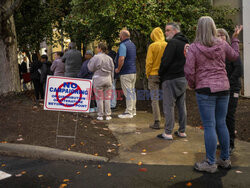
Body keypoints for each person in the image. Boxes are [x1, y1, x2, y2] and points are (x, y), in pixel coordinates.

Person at [184, 16, 242, 173]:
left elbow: (189, 70)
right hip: (224, 88)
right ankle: (224, 159)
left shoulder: (194, 48)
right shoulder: (222, 44)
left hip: (205, 89)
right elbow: (235, 56)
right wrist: (235, 40)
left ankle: (210, 163)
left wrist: (194, 85)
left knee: (209, 125)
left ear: (198, 28)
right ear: (213, 28)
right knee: (221, 123)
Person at [157, 22, 189, 140]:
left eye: (167, 30)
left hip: (171, 79)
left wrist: (160, 74)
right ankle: (182, 131)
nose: (165, 33)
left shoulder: (173, 43)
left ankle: (168, 132)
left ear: (175, 31)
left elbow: (165, 61)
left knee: (168, 105)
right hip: (183, 78)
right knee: (181, 105)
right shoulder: (186, 44)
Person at [217, 28, 243, 154]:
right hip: (222, 88)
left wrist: (227, 82)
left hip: (233, 88)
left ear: (226, 37)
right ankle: (223, 142)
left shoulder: (231, 51)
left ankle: (231, 143)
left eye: (222, 35)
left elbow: (239, 70)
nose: (220, 36)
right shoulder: (217, 52)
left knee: (229, 115)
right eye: (217, 35)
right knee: (221, 116)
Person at [146, 27, 167, 129]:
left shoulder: (152, 46)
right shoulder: (167, 45)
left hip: (153, 75)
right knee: (167, 99)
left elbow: (149, 62)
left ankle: (157, 122)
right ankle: (168, 121)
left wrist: (147, 74)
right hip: (165, 75)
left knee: (155, 99)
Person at [88, 43, 114, 121]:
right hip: (108, 79)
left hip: (98, 79)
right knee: (107, 98)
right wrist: (111, 80)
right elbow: (112, 70)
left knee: (99, 98)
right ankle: (108, 115)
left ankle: (100, 115)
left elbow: (91, 68)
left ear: (99, 48)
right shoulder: (109, 58)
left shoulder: (96, 57)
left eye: (97, 47)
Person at [115, 29, 137, 119]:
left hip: (125, 72)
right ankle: (133, 110)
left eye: (120, 35)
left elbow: (121, 58)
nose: (119, 37)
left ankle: (128, 112)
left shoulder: (123, 45)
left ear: (123, 36)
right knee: (132, 92)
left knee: (128, 92)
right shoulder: (132, 44)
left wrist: (118, 69)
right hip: (133, 72)